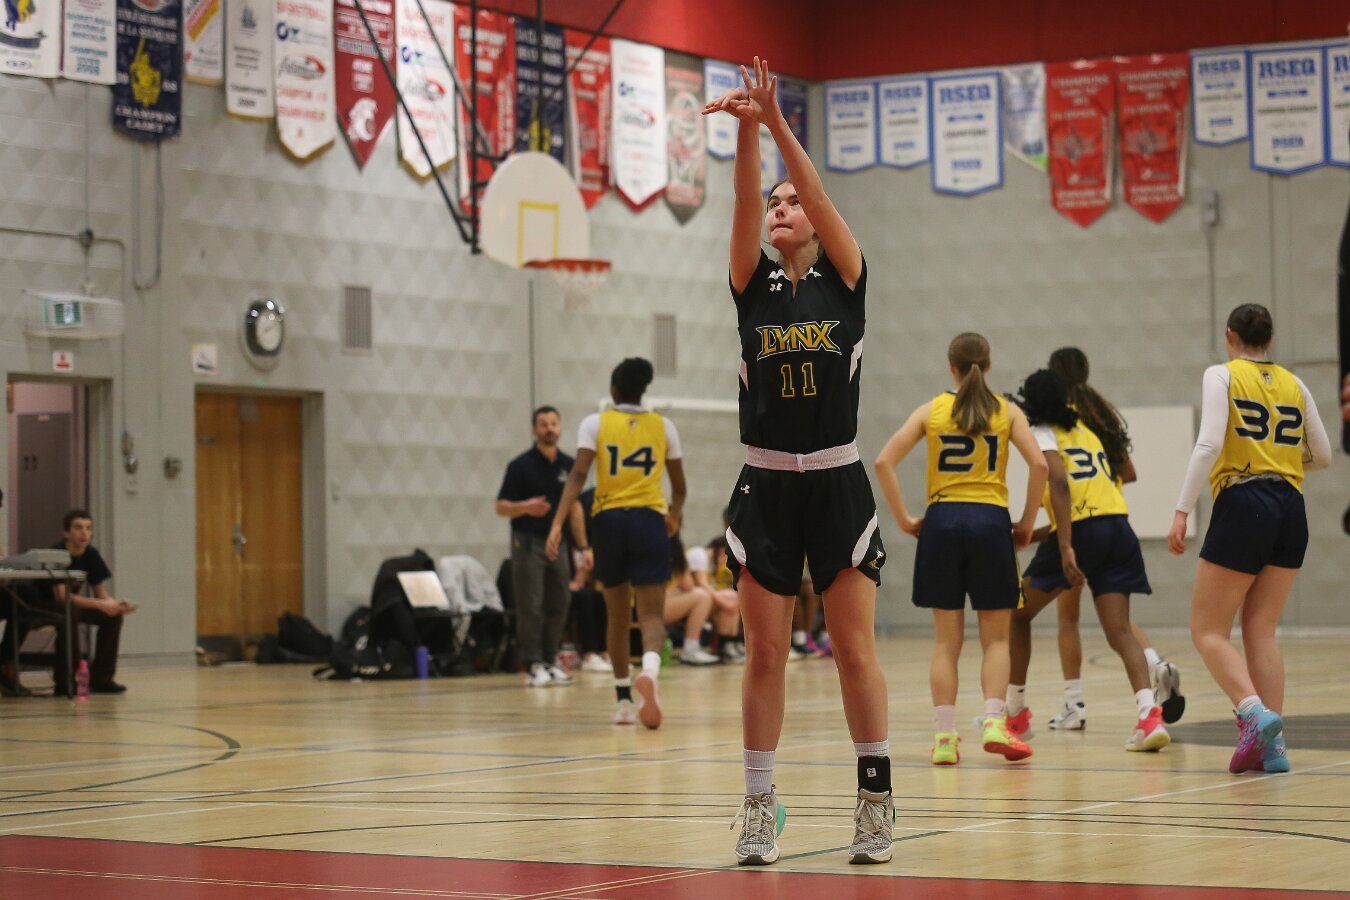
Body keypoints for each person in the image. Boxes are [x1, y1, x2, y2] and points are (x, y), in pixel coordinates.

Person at [705, 57, 891, 866]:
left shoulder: (846, 280)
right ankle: (758, 807)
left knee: (853, 651)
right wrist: (748, 132)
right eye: (776, 204)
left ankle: (875, 803)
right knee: (766, 654)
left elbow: (813, 191)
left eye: (793, 203)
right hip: (767, 483)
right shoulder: (752, 285)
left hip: (838, 482)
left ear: (814, 221)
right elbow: (746, 202)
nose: (782, 209)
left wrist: (779, 120)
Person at [1169, 304, 1332, 774]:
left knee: (1207, 630)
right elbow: (1322, 455)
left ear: (1230, 336)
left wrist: (1182, 509)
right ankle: (1273, 749)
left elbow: (1208, 444)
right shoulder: (1294, 384)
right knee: (1261, 630)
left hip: (1244, 501)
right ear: (1270, 339)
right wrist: (1279, 461)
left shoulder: (1222, 374)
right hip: (1291, 508)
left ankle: (1253, 712)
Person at [874, 333, 1046, 766]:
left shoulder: (931, 410)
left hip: (942, 522)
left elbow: (883, 461)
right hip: (990, 522)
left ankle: (945, 737)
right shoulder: (1007, 411)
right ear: (988, 366)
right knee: (997, 639)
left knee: (946, 643)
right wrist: (1027, 522)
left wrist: (904, 518)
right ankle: (994, 721)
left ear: (950, 367)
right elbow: (1040, 464)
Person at [1008, 370, 1170, 753]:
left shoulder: (1044, 432)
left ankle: (1015, 714)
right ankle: (1150, 717)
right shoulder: (1086, 430)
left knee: (1016, 614)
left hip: (1081, 532)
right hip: (1118, 528)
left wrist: (1065, 546)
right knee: (1121, 632)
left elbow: (1060, 483)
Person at [1043, 347, 1185, 730]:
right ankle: (1155, 663)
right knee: (1119, 621)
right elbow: (1130, 472)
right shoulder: (1100, 411)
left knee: (1067, 617)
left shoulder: (1058, 418)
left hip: (1077, 524)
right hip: (1113, 520)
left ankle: (1073, 703)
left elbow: (1057, 478)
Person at [547, 358, 687, 729]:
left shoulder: (595, 423)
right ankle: (650, 671)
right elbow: (680, 487)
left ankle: (624, 701)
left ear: (613, 390)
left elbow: (578, 475)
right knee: (652, 615)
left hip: (608, 521)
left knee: (618, 617)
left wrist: (557, 523)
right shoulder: (663, 426)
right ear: (644, 391)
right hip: (648, 520)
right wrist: (675, 515)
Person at [496, 406, 588, 688]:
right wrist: (525, 507)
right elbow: (501, 506)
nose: (549, 428)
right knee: (531, 604)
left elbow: (575, 509)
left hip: (558, 543)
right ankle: (533, 663)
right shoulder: (520, 465)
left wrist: (583, 547)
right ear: (534, 430)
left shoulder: (569, 465)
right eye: (543, 424)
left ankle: (550, 659)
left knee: (560, 601)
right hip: (527, 541)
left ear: (560, 427)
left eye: (553, 423)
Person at [31, 509, 135, 694]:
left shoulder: (91, 554)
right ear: (67, 533)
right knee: (70, 611)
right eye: (78, 528)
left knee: (112, 617)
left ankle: (102, 679)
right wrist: (100, 604)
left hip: (70, 605)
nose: (84, 533)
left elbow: (100, 592)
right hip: (41, 604)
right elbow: (61, 596)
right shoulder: (56, 554)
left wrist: (115, 604)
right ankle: (66, 681)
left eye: (88, 528)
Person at [664, 534, 722, 666]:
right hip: (648, 608)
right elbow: (688, 584)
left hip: (632, 604)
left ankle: (727, 645)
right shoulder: (672, 544)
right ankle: (691, 649)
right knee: (702, 597)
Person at [687, 537, 744, 663]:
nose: (724, 561)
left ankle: (728, 644)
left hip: (699, 600)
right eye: (725, 555)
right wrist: (725, 603)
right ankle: (725, 646)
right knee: (729, 599)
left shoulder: (712, 565)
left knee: (732, 597)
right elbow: (701, 584)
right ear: (721, 550)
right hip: (688, 599)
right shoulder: (699, 554)